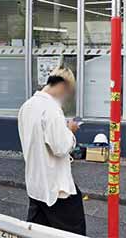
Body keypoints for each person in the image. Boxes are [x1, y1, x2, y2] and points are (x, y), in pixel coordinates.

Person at [17, 67, 86, 235]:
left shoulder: (27, 106)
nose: (66, 97)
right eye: (68, 91)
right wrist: (70, 130)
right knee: (73, 232)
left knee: (36, 232)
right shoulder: (52, 109)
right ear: (63, 85)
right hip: (56, 188)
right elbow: (61, 147)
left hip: (35, 185)